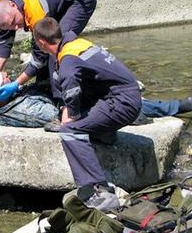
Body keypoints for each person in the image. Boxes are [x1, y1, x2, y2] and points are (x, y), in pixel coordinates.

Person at [32, 17, 142, 210]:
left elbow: (72, 91)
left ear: (41, 42)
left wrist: (69, 117)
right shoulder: (77, 43)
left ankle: (100, 191)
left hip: (122, 103)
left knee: (70, 132)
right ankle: (104, 131)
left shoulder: (67, 61)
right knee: (75, 119)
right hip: (126, 96)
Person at [0, 0, 97, 103]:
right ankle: (44, 85)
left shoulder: (36, 12)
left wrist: (16, 83)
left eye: (14, 22)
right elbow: (4, 41)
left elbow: (40, 57)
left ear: (13, 5)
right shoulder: (2, 6)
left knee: (54, 47)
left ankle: (61, 101)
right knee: (45, 57)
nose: (16, 28)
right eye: (10, 26)